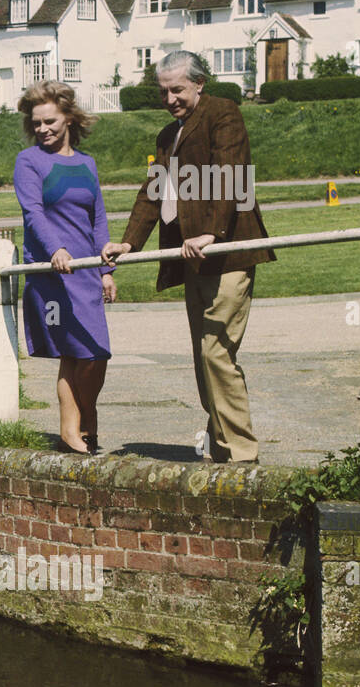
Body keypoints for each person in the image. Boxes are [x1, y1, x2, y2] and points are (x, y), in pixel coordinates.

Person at [101, 51, 274, 464]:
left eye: (177, 89)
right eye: (163, 91)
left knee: (216, 351)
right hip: (193, 257)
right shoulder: (167, 135)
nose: (170, 98)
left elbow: (231, 172)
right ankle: (219, 446)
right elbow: (152, 192)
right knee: (204, 356)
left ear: (199, 83)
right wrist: (129, 243)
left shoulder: (223, 113)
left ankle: (243, 456)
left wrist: (212, 232)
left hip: (228, 253)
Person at [13, 80, 116, 455]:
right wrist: (54, 249)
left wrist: (106, 271)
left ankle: (86, 415)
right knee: (73, 352)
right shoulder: (29, 161)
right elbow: (33, 212)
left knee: (96, 353)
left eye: (50, 121)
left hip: (87, 268)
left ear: (69, 118)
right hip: (52, 270)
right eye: (36, 123)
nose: (43, 129)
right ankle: (72, 429)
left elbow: (98, 218)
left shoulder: (87, 163)